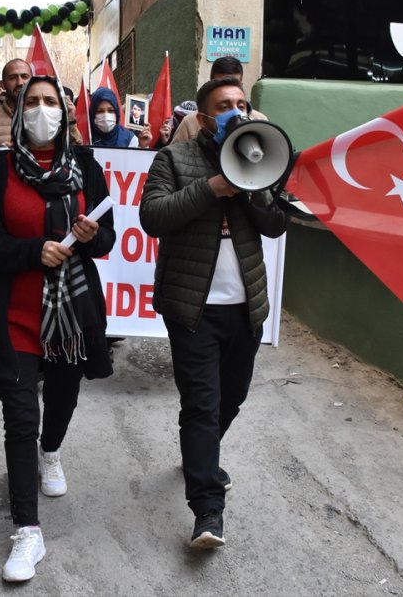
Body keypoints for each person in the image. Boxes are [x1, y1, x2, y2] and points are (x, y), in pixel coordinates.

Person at [0, 75, 115, 582]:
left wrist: (90, 237)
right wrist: (33, 251)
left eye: (51, 101)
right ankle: (27, 530)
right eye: (33, 101)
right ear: (19, 110)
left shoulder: (86, 167)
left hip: (70, 315)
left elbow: (107, 239)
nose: (42, 110)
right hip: (14, 314)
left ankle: (51, 452)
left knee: (63, 400)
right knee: (19, 417)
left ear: (65, 114)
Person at [138, 77, 289, 550]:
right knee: (201, 405)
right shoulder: (173, 159)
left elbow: (275, 225)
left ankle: (199, 455)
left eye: (242, 104)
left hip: (246, 307)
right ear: (203, 117)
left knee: (232, 397)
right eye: (225, 105)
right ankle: (207, 509)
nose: (236, 111)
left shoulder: (259, 157)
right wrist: (212, 188)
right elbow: (152, 217)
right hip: (193, 308)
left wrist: (253, 188)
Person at [171, 56, 246, 144]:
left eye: (233, 84)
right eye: (220, 84)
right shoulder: (190, 122)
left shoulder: (257, 120)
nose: (227, 90)